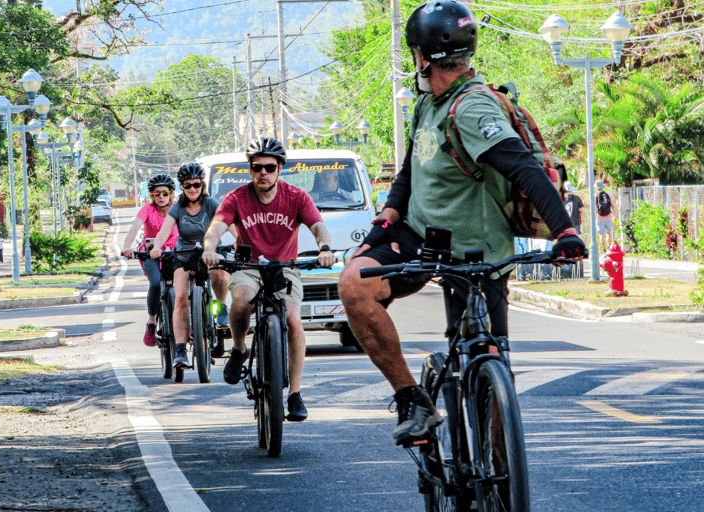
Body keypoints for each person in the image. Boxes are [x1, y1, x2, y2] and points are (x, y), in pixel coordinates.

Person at [337, 1, 587, 447]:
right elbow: (410, 173)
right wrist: (383, 224)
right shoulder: (426, 105)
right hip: (420, 238)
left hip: (476, 251)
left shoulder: (473, 108)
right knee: (355, 285)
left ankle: (500, 467)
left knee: (490, 358)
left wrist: (565, 230)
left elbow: (523, 168)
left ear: (422, 57)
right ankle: (412, 399)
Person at [202, 136, 335, 422]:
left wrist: (325, 248)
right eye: (257, 167)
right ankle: (239, 348)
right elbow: (216, 227)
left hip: (285, 267)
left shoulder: (297, 197)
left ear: (280, 169)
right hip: (248, 266)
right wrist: (210, 248)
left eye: (270, 167)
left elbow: (318, 226)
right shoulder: (236, 197)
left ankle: (295, 394)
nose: (263, 173)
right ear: (250, 169)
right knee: (241, 301)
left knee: (293, 319)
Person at [151, 163, 231, 368]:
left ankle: (222, 307)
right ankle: (180, 350)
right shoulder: (177, 207)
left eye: (196, 184)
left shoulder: (211, 204)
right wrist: (157, 247)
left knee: (220, 273)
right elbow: (164, 231)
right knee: (180, 298)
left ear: (202, 185)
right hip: (184, 254)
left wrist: (241, 242)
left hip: (211, 251)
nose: (193, 189)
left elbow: (229, 223)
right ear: (182, 187)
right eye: (188, 186)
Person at [122, 173, 179, 346]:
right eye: (157, 193)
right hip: (150, 253)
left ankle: (185, 321)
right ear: (151, 195)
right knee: (156, 283)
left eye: (165, 193)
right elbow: (134, 228)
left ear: (171, 193)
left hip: (173, 253)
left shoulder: (177, 207)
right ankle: (152, 322)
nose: (161, 197)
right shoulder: (147, 208)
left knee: (183, 284)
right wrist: (127, 246)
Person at [595, 179, 615, 253]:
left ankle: (604, 250)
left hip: (599, 218)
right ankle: (609, 249)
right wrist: (615, 215)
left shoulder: (595, 196)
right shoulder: (608, 194)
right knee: (609, 234)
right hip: (608, 217)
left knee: (601, 234)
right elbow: (613, 205)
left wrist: (595, 217)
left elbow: (594, 208)